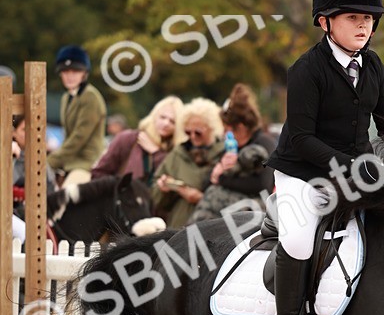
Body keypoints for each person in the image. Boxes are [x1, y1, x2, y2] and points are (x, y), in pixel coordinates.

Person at [266, 0, 384, 315]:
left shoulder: (373, 66)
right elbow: (303, 138)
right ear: (325, 22)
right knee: (301, 238)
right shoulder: (307, 70)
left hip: (354, 170)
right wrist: (352, 166)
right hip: (301, 171)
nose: (363, 26)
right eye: (353, 18)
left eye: (368, 19)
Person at [190, 83, 276, 221]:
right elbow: (208, 184)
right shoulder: (230, 147)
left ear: (240, 128)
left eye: (226, 129)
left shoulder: (265, 143)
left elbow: (262, 185)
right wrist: (216, 172)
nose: (224, 134)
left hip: (251, 216)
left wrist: (223, 179)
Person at [151, 98, 224, 229]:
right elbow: (156, 199)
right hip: (178, 229)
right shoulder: (178, 154)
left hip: (214, 230)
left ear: (212, 129)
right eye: (188, 132)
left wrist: (201, 199)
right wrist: (163, 189)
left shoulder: (225, 156)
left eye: (198, 132)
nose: (193, 137)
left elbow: (235, 202)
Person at [47, 45, 107, 185]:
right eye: (65, 71)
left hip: (87, 164)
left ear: (84, 74)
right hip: (69, 163)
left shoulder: (91, 97)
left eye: (75, 71)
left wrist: (49, 161)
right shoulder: (66, 98)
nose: (70, 76)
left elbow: (79, 138)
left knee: (66, 197)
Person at [92, 96, 184, 186]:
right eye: (163, 117)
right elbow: (99, 173)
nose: (166, 123)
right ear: (154, 115)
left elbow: (176, 178)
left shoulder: (178, 150)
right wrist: (118, 191)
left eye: (172, 121)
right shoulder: (128, 138)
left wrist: (156, 153)